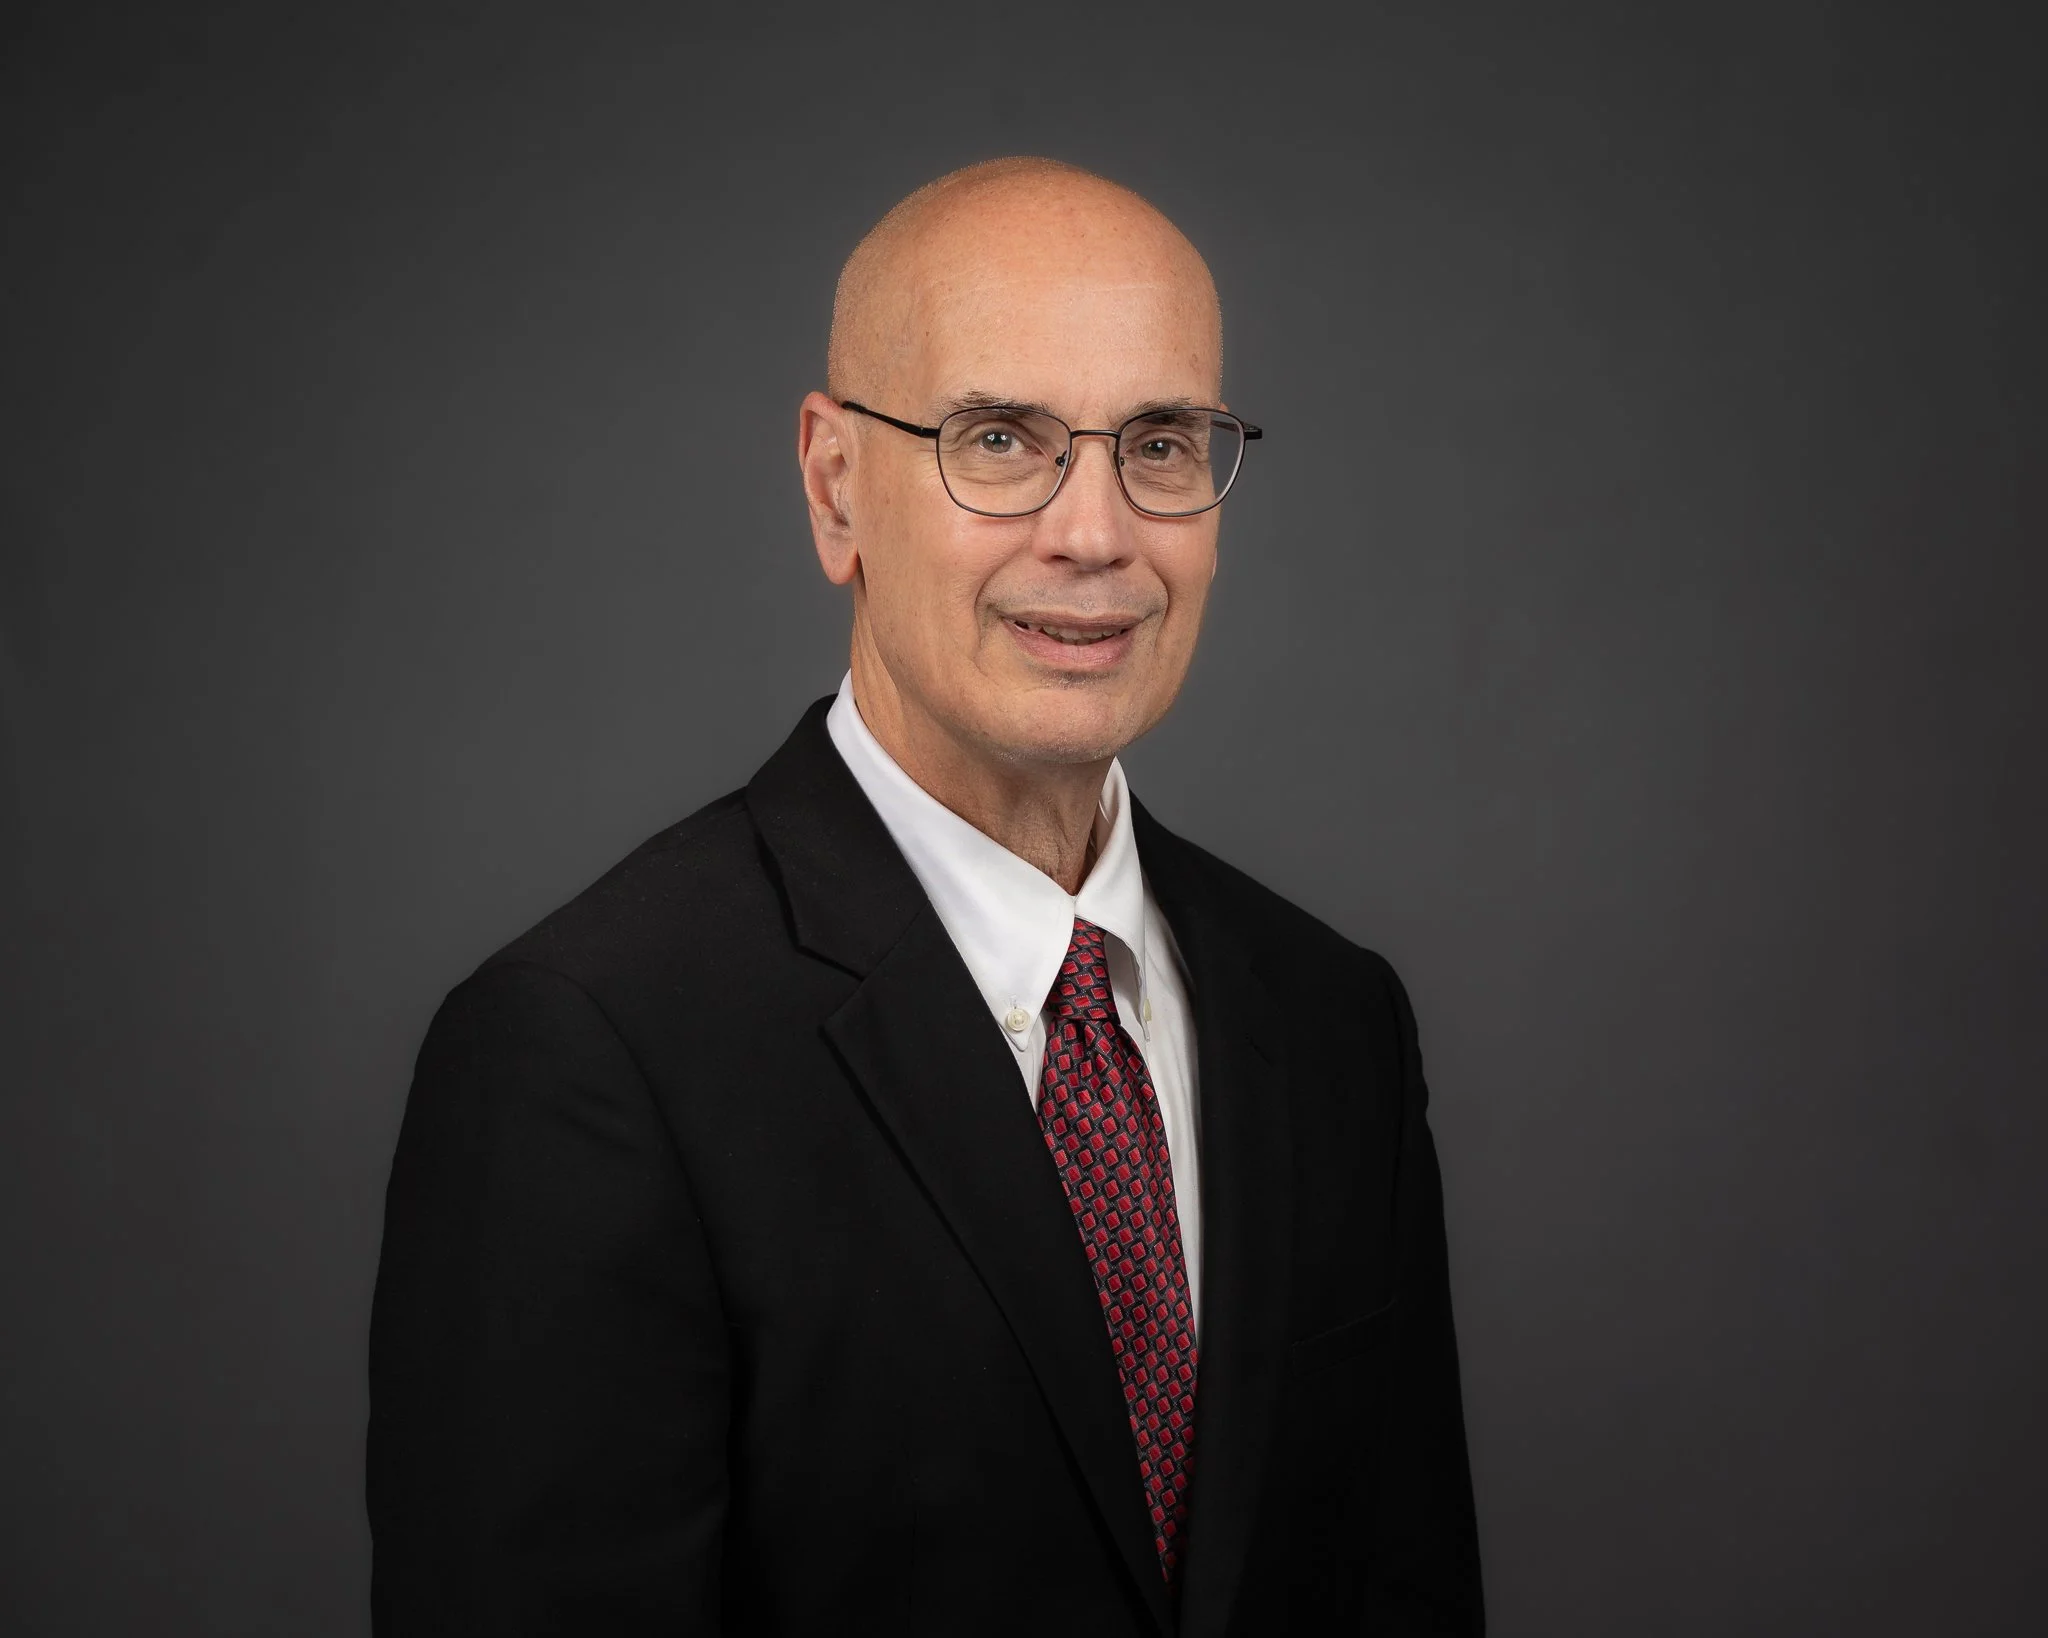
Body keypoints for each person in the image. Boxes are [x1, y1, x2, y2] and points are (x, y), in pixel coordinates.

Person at [367, 156, 1484, 1636]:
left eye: (1159, 442)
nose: (1095, 534)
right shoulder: (588, 1054)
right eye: (1004, 438)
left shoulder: (1333, 1019)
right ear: (838, 487)